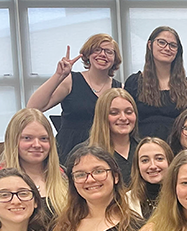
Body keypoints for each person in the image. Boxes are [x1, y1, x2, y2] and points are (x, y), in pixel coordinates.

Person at [0, 108, 68, 231]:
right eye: (27, 138)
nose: (37, 144)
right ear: (13, 140)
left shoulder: (66, 179)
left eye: (43, 138)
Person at [26, 34, 123, 162]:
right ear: (87, 54)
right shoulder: (71, 81)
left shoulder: (119, 89)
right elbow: (33, 107)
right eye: (97, 50)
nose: (102, 55)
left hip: (103, 151)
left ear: (115, 59)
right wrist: (59, 75)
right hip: (68, 150)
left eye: (109, 52)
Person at [125, 26, 187, 140]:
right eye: (161, 42)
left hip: (178, 151)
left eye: (173, 45)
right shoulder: (134, 83)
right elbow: (126, 120)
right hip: (141, 149)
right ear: (150, 45)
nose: (167, 48)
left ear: (178, 51)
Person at [87, 88, 140, 185]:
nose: (123, 118)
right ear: (102, 116)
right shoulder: (86, 153)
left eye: (128, 112)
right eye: (114, 113)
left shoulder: (143, 149)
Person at [127, 136, 173, 219]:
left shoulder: (181, 197)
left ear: (170, 162)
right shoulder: (127, 201)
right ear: (137, 166)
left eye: (159, 158)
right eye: (145, 160)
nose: (153, 166)